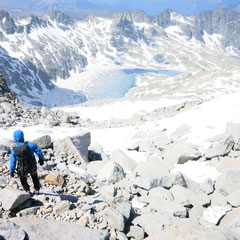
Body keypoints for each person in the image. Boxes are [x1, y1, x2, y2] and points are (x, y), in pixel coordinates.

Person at [9, 130, 44, 194]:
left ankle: (27, 190)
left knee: (23, 179)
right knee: (34, 177)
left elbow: (12, 162)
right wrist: (41, 159)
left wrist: (11, 171)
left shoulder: (14, 150)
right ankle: (37, 190)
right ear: (23, 136)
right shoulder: (30, 144)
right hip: (32, 166)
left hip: (22, 169)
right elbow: (39, 151)